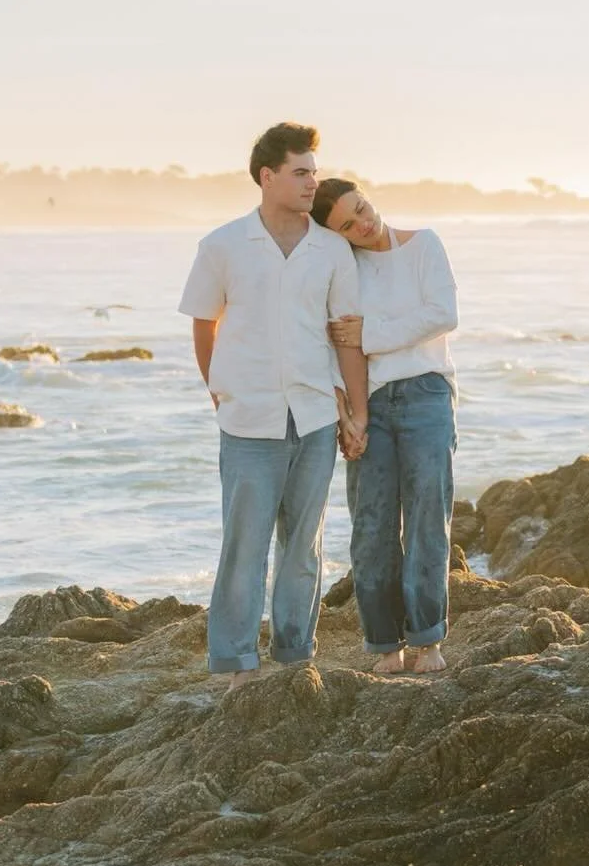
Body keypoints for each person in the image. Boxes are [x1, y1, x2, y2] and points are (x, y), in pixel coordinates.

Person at [179, 123, 369, 689]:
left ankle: (294, 656)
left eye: (314, 170)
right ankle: (235, 664)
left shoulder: (332, 249)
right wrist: (221, 389)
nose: (313, 181)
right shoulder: (222, 245)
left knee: (303, 549)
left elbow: (346, 336)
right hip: (247, 421)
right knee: (244, 547)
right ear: (268, 176)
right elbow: (203, 324)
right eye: (301, 172)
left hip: (312, 418)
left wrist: (356, 413)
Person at [311, 178, 458, 675]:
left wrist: (371, 335)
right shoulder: (342, 268)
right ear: (336, 235)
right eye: (348, 225)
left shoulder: (424, 245)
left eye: (363, 208)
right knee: (371, 527)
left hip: (426, 394)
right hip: (367, 401)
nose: (364, 224)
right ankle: (382, 644)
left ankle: (428, 640)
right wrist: (347, 412)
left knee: (426, 519)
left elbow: (441, 315)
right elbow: (335, 342)